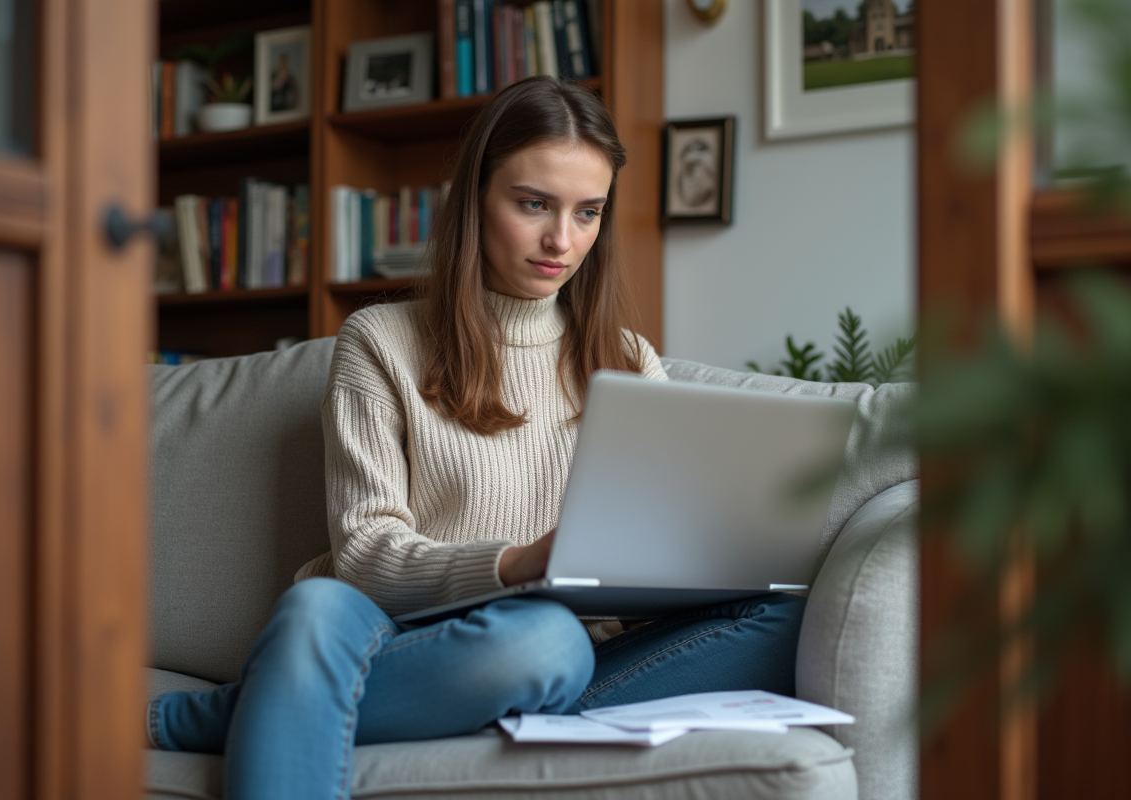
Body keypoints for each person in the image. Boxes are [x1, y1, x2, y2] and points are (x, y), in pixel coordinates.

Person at [148, 76, 805, 800]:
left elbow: (637, 573)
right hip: (396, 628)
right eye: (534, 205)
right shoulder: (380, 340)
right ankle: (454, 699)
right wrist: (519, 563)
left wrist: (694, 563)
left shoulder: (626, 359)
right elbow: (364, 555)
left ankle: (229, 716)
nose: (563, 240)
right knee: (327, 608)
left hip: (565, 650)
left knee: (775, 612)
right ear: (473, 198)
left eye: (588, 213)